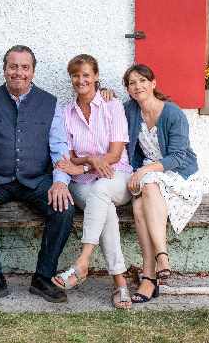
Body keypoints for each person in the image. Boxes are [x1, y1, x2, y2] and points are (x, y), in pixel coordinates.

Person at [0, 45, 75, 305]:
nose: (18, 72)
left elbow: (59, 149)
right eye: (13, 66)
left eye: (25, 67)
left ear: (33, 71)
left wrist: (60, 182)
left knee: (64, 208)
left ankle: (43, 278)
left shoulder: (50, 103)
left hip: (35, 179)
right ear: (4, 70)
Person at [52, 54, 133, 309]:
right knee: (103, 206)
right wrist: (89, 160)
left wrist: (84, 162)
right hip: (83, 184)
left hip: (117, 177)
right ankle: (120, 286)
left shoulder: (112, 106)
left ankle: (82, 262)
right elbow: (70, 156)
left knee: (102, 189)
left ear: (96, 76)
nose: (81, 80)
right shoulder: (66, 112)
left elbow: (115, 154)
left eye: (86, 75)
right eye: (76, 76)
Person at [123, 63, 203, 304]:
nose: (138, 86)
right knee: (138, 205)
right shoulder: (130, 110)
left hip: (179, 175)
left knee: (146, 189)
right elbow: (107, 109)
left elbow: (179, 157)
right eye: (132, 83)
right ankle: (151, 275)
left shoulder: (172, 113)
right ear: (128, 90)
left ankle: (160, 258)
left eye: (142, 81)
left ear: (153, 83)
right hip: (150, 174)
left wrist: (145, 170)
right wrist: (104, 91)